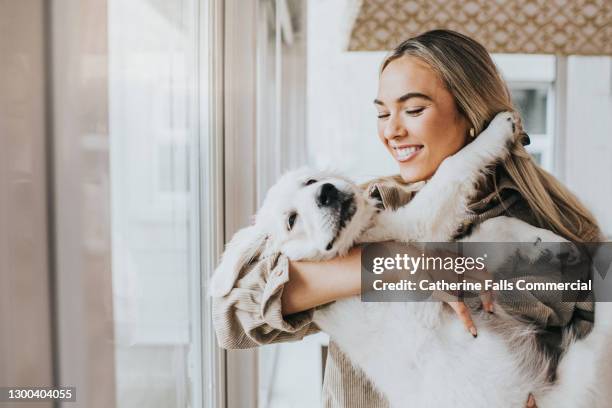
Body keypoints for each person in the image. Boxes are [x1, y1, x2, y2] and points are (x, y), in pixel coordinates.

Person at [212, 30, 602, 408]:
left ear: (470, 111)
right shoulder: (370, 207)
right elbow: (232, 315)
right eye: (382, 113)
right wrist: (405, 263)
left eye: (413, 110)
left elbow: (592, 338)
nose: (392, 131)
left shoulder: (550, 224)